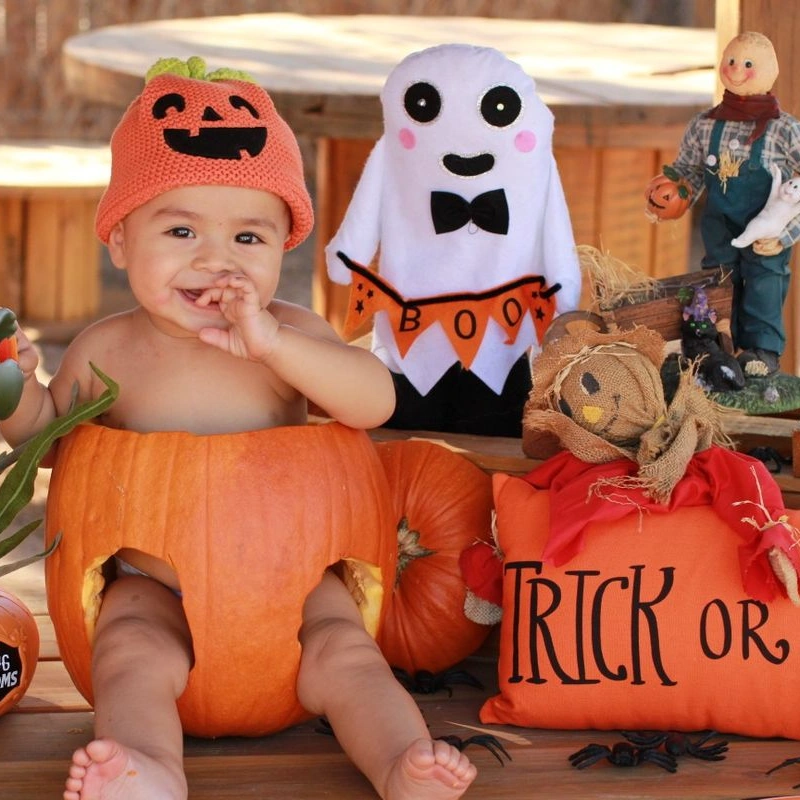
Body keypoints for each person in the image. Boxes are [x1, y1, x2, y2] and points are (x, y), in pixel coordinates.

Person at [0, 58, 476, 800]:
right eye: (181, 228)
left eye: (248, 238)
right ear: (120, 239)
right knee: (126, 649)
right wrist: (13, 392)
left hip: (296, 587)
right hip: (154, 583)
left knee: (346, 650)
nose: (215, 259)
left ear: (284, 246)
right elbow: (48, 440)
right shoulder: (107, 348)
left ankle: (401, 761)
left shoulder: (291, 335)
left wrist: (275, 346)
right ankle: (147, 767)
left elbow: (375, 401)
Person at [644, 31, 800, 378]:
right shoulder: (704, 125)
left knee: (764, 282)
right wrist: (674, 194)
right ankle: (716, 345)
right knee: (718, 281)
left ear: (769, 71)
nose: (736, 69)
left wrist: (786, 234)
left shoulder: (785, 130)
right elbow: (690, 171)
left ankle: (762, 352)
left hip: (767, 229)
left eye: (748, 64)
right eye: (731, 61)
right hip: (720, 226)